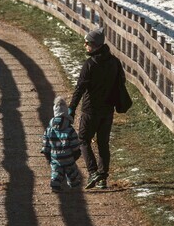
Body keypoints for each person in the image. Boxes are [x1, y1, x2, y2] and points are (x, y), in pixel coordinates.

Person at [68, 26, 123, 189]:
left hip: (90, 110)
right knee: (103, 143)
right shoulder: (114, 62)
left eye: (87, 43)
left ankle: (93, 172)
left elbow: (80, 88)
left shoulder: (90, 64)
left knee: (83, 140)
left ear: (94, 45)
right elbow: (121, 83)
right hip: (107, 110)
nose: (85, 45)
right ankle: (103, 177)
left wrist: (72, 108)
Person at [41, 97, 82, 192]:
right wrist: (77, 152)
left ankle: (55, 185)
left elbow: (45, 143)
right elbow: (75, 143)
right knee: (72, 170)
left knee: (56, 172)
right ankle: (74, 184)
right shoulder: (69, 129)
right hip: (68, 156)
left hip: (55, 156)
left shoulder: (49, 129)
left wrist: (47, 154)